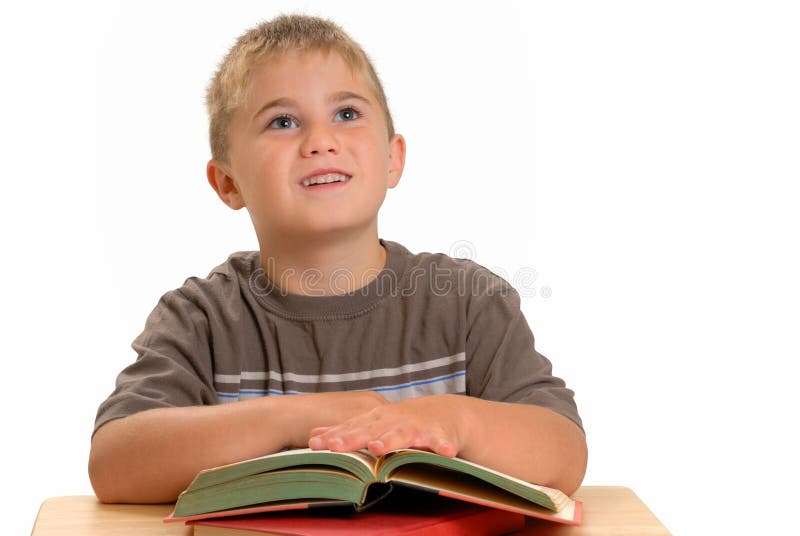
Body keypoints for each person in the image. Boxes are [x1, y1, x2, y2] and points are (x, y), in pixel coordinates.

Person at [88, 13, 587, 504]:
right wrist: (295, 418)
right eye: (282, 122)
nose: (321, 141)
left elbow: (564, 452)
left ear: (393, 158)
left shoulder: (467, 303)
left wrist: (454, 420)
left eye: (347, 114)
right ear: (228, 182)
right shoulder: (201, 319)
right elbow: (114, 464)